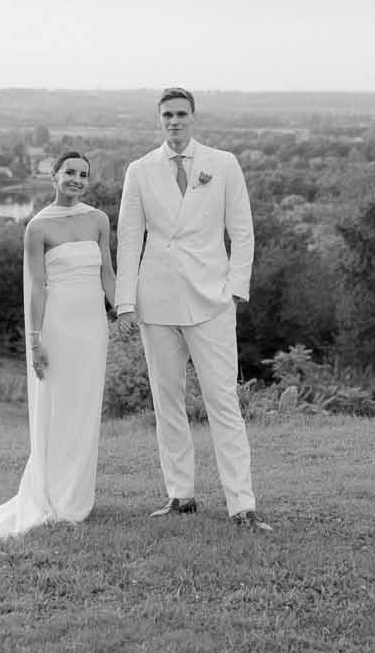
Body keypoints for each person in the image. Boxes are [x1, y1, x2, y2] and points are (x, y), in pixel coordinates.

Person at [114, 87, 270, 531]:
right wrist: (126, 300)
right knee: (167, 402)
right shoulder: (139, 171)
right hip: (157, 299)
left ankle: (242, 504)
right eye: (167, 115)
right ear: (158, 120)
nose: (175, 121)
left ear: (193, 118)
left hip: (212, 299)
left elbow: (243, 232)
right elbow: (129, 238)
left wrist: (236, 287)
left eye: (182, 114)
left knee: (224, 402)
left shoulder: (223, 165)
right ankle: (180, 495)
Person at [0, 150, 115, 538]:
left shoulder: (98, 220)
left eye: (82, 174)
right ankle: (52, 496)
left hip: (93, 327)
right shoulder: (38, 227)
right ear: (53, 176)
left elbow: (107, 272)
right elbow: (37, 289)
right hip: (58, 326)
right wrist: (35, 341)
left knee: (85, 409)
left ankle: (77, 496)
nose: (76, 179)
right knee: (58, 409)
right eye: (69, 172)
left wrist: (126, 310)